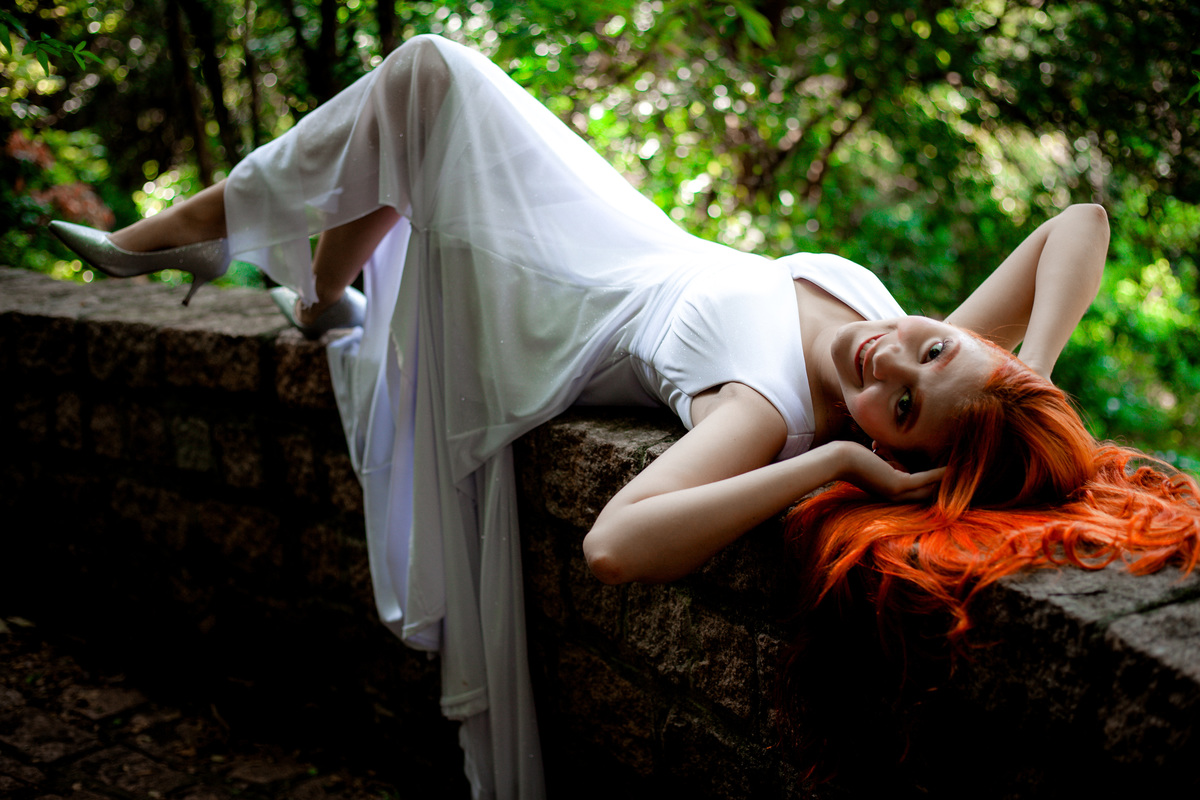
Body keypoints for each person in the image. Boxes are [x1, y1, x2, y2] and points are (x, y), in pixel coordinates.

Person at [47, 33, 1199, 799]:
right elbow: (1080, 224)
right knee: (425, 81)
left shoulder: (767, 403)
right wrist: (1023, 373)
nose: (888, 356)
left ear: (892, 440)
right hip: (629, 231)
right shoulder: (901, 335)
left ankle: (212, 242)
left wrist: (834, 461)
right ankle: (315, 291)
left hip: (554, 294)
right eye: (935, 348)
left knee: (430, 80)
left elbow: (614, 543)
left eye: (896, 408)